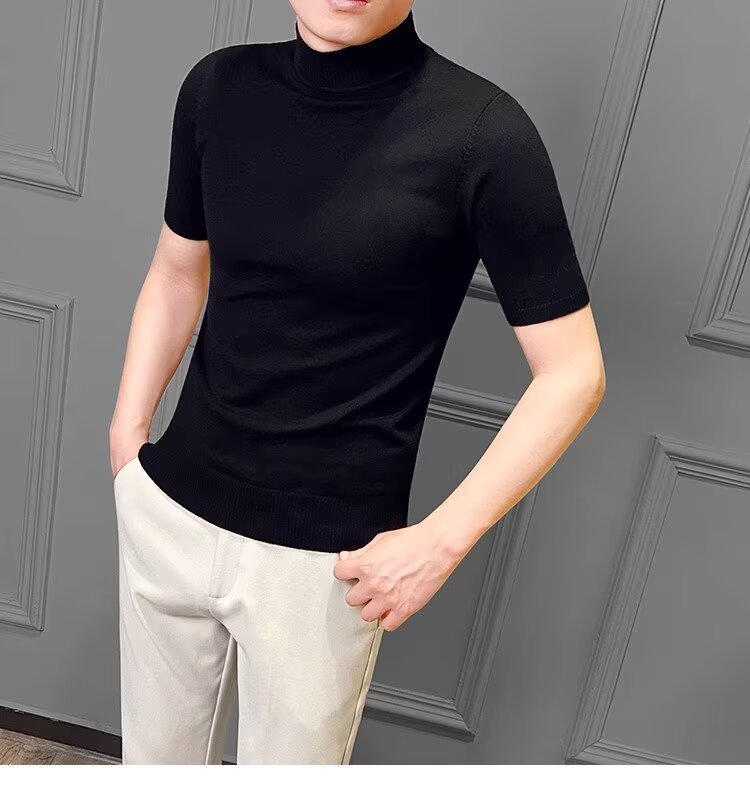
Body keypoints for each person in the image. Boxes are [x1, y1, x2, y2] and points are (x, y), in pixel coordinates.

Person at [109, 0, 605, 765]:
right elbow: (177, 270)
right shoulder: (218, 88)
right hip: (171, 512)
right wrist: (128, 437)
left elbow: (574, 373)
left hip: (323, 566)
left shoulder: (482, 135)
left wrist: (439, 544)